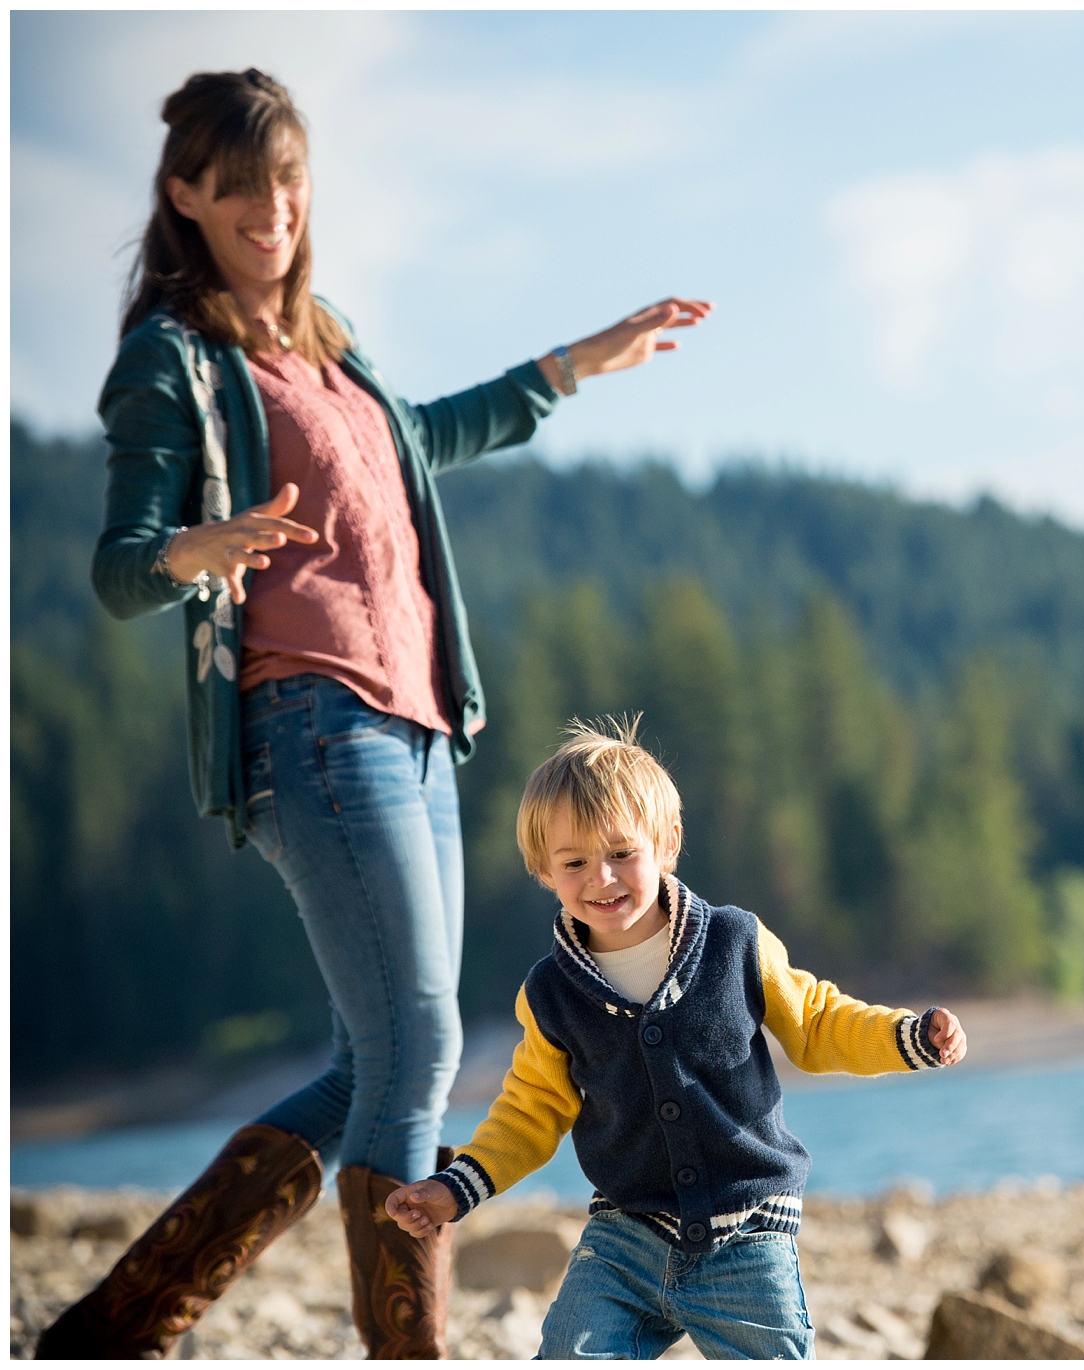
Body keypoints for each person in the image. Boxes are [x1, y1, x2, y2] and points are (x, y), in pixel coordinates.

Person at [40, 68, 711, 1360]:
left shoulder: (326, 339)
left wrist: (576, 362)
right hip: (309, 721)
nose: (272, 208)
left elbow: (425, 440)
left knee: (373, 1062)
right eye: (240, 187)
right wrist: (200, 546)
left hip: (413, 725)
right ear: (185, 195)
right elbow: (119, 565)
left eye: (289, 181)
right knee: (422, 1041)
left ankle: (115, 1328)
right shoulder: (173, 363)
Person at [382, 718, 969, 1359]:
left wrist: (909, 1036)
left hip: (747, 1232)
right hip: (624, 1242)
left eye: (622, 854)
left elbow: (820, 1024)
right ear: (542, 870)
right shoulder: (550, 995)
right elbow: (529, 1113)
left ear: (668, 843)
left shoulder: (734, 944)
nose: (601, 878)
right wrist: (453, 1188)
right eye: (574, 862)